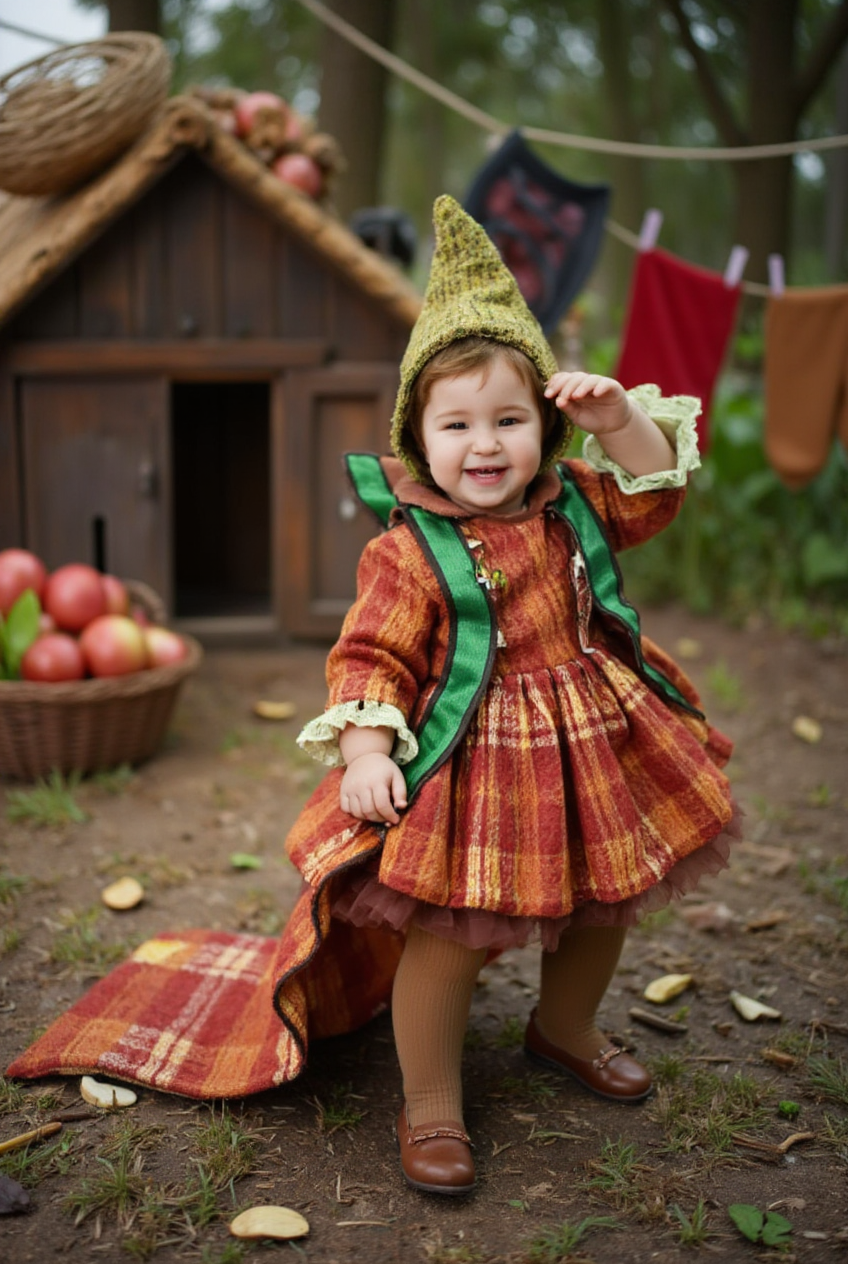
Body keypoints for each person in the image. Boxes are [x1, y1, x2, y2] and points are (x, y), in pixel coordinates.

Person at [275, 195, 737, 1198]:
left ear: (543, 425)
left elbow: (655, 493)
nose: (483, 445)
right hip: (469, 757)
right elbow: (370, 657)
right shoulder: (405, 548)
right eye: (456, 424)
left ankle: (560, 1026)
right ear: (417, 434)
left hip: (591, 738)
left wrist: (617, 420)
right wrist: (364, 752)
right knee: (448, 929)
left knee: (603, 901)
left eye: (507, 420)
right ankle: (431, 1096)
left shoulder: (575, 502)